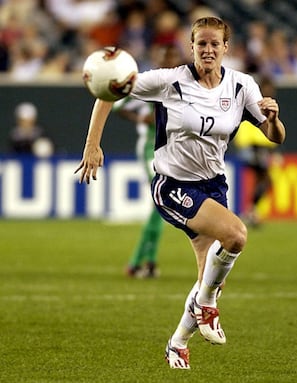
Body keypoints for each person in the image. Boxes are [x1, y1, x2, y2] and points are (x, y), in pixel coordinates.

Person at [75, 17, 285, 369]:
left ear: (225, 48)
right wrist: (92, 145)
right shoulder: (169, 80)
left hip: (214, 186)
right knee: (236, 235)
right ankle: (206, 306)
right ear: (192, 46)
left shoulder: (240, 86)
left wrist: (274, 118)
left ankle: (178, 342)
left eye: (214, 44)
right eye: (200, 43)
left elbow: (274, 136)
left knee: (210, 280)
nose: (207, 49)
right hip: (173, 185)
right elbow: (110, 91)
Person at [112, 44, 185, 278]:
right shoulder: (149, 83)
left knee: (162, 206)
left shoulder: (183, 84)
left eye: (173, 55)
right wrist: (141, 118)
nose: (171, 59)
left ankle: (146, 262)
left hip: (172, 152)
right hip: (149, 150)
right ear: (158, 58)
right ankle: (138, 262)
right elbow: (117, 105)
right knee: (161, 202)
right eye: (167, 55)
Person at [233, 76, 279, 227]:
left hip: (259, 149)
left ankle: (251, 212)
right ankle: (251, 211)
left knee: (263, 181)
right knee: (266, 180)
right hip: (251, 148)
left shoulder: (268, 106)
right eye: (267, 88)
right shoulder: (255, 103)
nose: (270, 92)